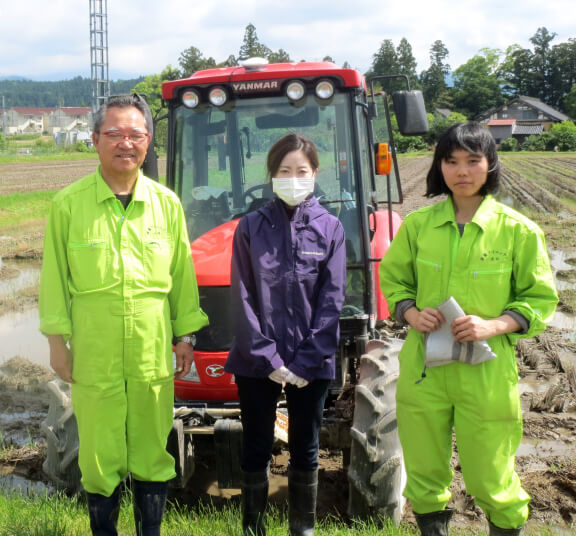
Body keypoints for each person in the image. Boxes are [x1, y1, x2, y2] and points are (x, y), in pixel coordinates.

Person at [39, 94, 208, 536]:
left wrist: (185, 335)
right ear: (95, 141)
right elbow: (55, 279)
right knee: (99, 455)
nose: (125, 144)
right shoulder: (69, 206)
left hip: (152, 352)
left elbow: (181, 275)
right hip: (94, 353)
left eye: (135, 135)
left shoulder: (166, 205)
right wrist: (58, 344)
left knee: (152, 451)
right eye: (114, 134)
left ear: (149, 143)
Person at [379, 122, 558, 536]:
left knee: (492, 479)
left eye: (473, 161)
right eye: (451, 160)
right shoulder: (418, 226)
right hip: (425, 369)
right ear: (440, 167)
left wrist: (494, 324)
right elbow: (394, 281)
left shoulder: (517, 230)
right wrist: (410, 313)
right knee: (424, 477)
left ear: (490, 164)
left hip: (487, 374)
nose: (462, 171)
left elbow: (540, 298)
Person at [225, 133, 347, 536]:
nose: (293, 178)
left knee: (305, 446)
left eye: (302, 171)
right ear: (272, 175)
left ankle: (302, 529)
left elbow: (332, 301)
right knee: (256, 443)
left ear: (315, 175)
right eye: (284, 171)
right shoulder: (251, 228)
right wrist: (268, 359)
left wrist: (305, 362)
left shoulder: (330, 229)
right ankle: (253, 529)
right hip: (257, 359)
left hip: (312, 360)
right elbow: (242, 295)